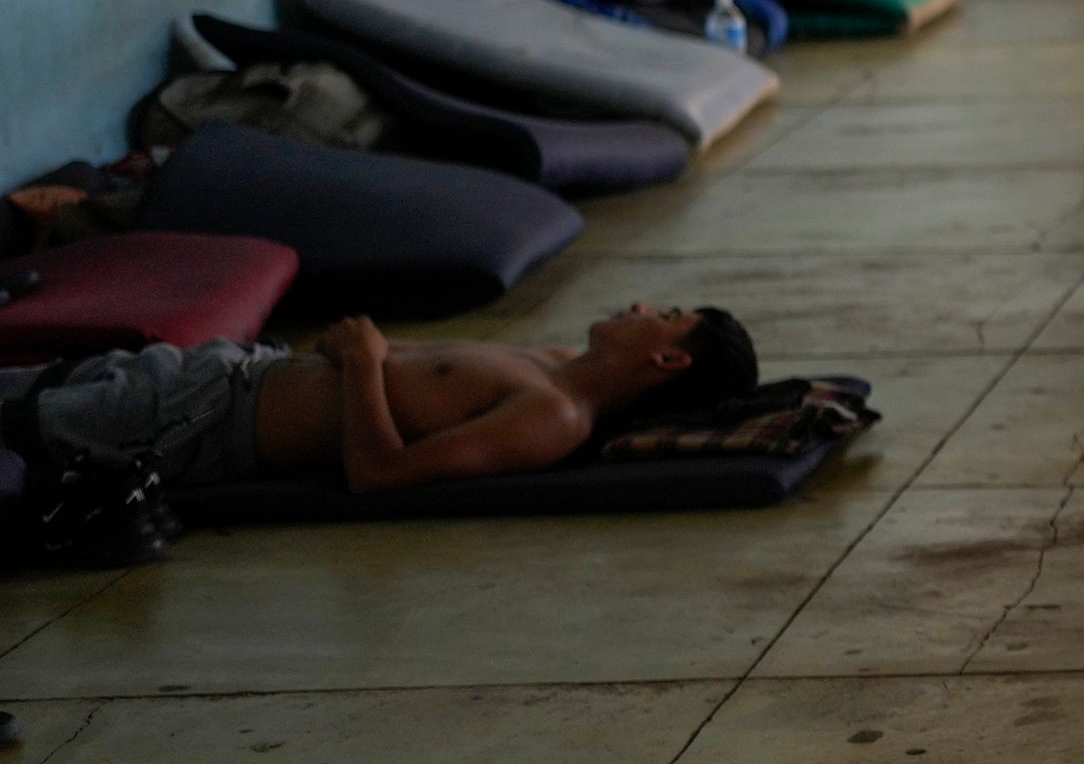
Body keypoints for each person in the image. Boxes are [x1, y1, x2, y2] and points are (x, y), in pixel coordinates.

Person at [0, 305, 759, 495]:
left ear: (667, 354)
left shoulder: (553, 416)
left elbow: (379, 475)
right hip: (221, 370)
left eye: (662, 310)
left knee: (19, 423)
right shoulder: (557, 363)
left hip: (199, 423)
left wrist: (364, 364)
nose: (637, 303)